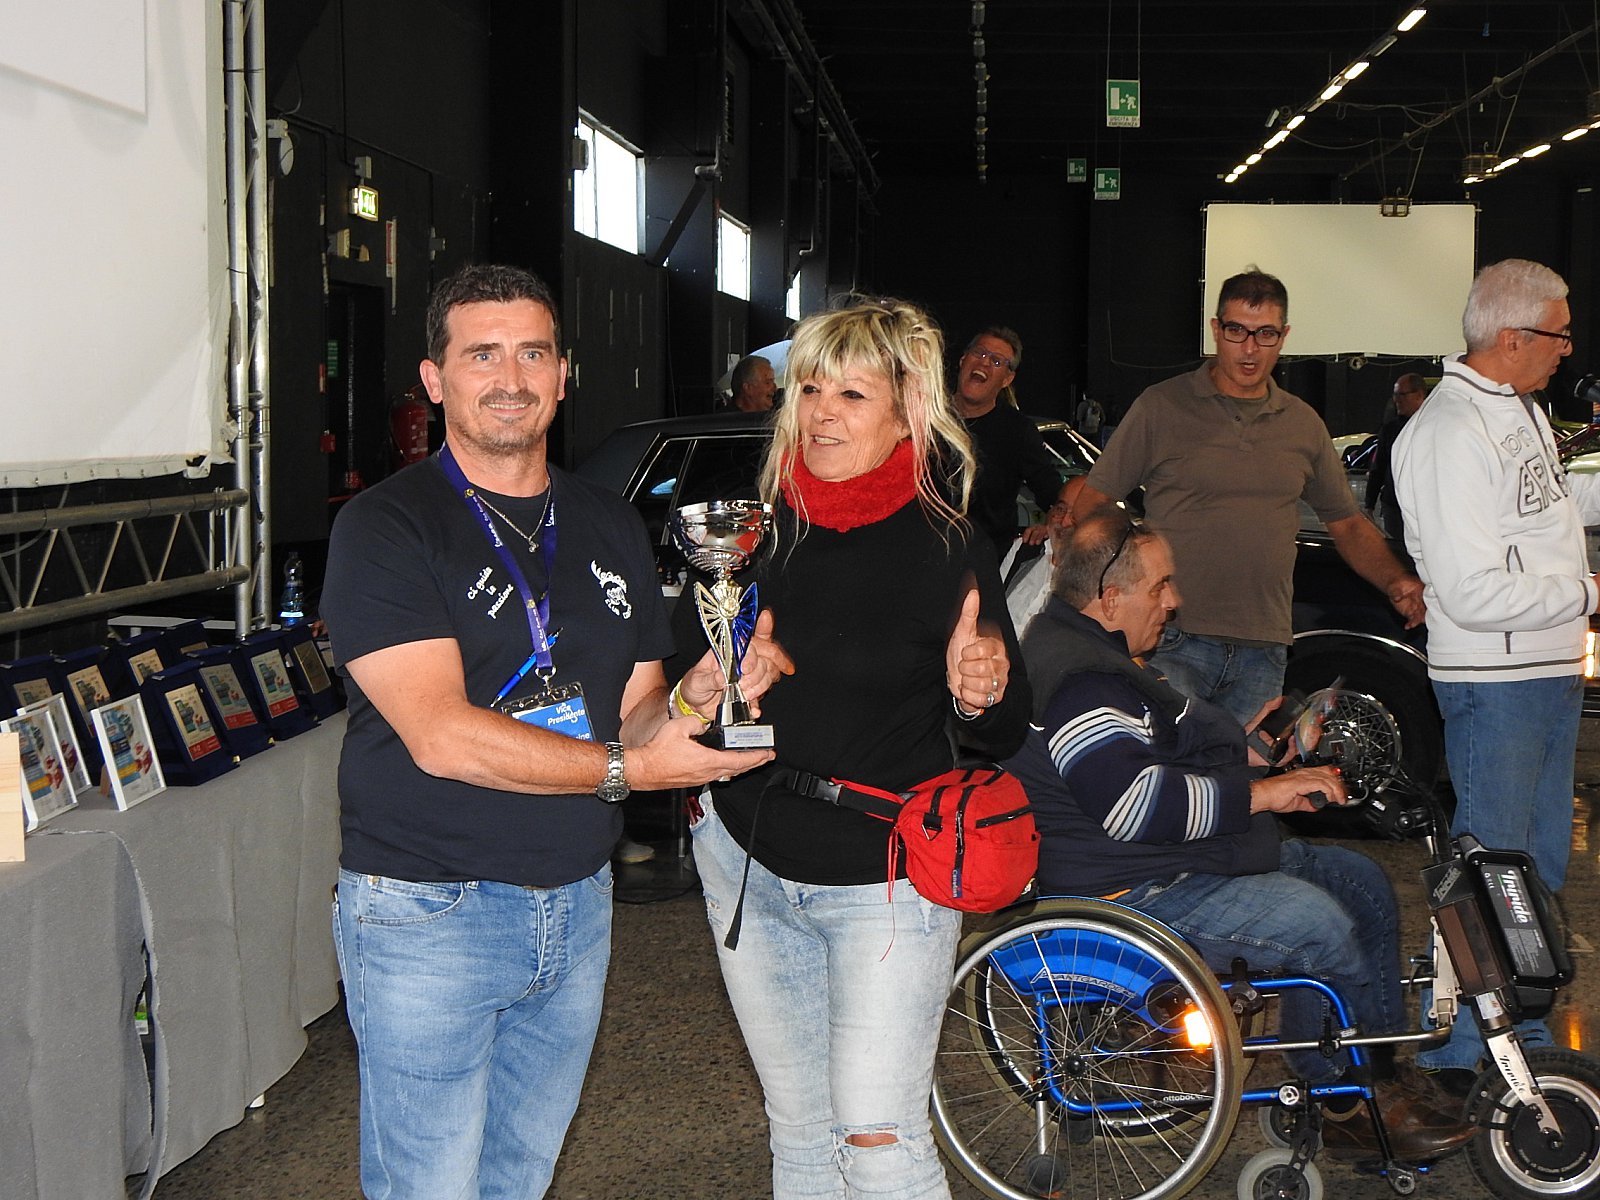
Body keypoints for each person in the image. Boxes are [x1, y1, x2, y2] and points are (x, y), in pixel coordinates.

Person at [320, 263, 784, 1200]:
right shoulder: (386, 527)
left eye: (533, 354)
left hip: (575, 902)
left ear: (564, 374)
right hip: (429, 908)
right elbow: (441, 735)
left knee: (520, 1178)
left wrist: (698, 697)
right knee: (429, 1186)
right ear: (434, 378)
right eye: (481, 355)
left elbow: (636, 708)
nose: (511, 378)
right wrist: (631, 771)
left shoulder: (608, 522)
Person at [1005, 505, 1476, 1161]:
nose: (1174, 600)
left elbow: (1149, 762)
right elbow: (1134, 805)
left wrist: (1254, 755)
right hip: (1130, 891)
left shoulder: (1092, 651)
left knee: (1360, 880)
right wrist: (1262, 793)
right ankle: (1342, 1100)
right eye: (1160, 586)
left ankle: (1377, 1072)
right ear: (1110, 599)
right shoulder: (1080, 683)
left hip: (1161, 860)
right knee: (1319, 924)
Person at [689, 297, 1031, 1199]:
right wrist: (713, 684)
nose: (822, 414)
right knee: (800, 1135)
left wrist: (981, 687)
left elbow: (1002, 730)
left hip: (883, 883)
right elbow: (697, 695)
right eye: (809, 389)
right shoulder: (756, 535)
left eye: (851, 393)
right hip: (748, 861)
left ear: (907, 411)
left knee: (879, 1142)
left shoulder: (949, 545)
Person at [1392, 258, 1600, 1087]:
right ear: (1512, 337)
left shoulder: (1520, 409)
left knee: (1535, 868)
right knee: (1487, 877)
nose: (1568, 347)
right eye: (1560, 334)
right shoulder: (1446, 432)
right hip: (1496, 679)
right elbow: (1473, 591)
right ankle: (1457, 1054)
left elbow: (1552, 507)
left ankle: (1519, 1027)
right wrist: (1590, 593)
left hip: (1544, 672)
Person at [1075, 267, 1424, 724]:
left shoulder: (1302, 424)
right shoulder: (1161, 407)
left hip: (1265, 650)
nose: (1250, 348)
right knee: (1167, 766)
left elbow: (1347, 524)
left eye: (1266, 334)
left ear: (1284, 337)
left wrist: (1398, 583)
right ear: (1216, 329)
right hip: (1171, 640)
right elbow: (1093, 504)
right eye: (1237, 331)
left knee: (1245, 773)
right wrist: (1115, 600)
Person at [952, 325, 1063, 555]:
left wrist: (1053, 526)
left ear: (1007, 379)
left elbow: (1053, 492)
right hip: (919, 556)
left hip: (983, 561)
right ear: (963, 360)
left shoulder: (1018, 432)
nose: (984, 363)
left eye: (996, 361)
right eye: (979, 353)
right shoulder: (926, 416)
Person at [999, 475, 1085, 633]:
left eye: (1076, 516)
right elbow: (990, 606)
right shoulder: (1024, 549)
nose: (1064, 522)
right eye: (1061, 509)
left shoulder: (1092, 587)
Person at [1365, 373, 1428, 542]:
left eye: (1402, 394)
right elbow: (1378, 467)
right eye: (1395, 395)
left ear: (1419, 395)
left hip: (1424, 508)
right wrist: (1369, 504)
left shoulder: (1434, 427)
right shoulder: (1390, 429)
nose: (1396, 400)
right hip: (1394, 507)